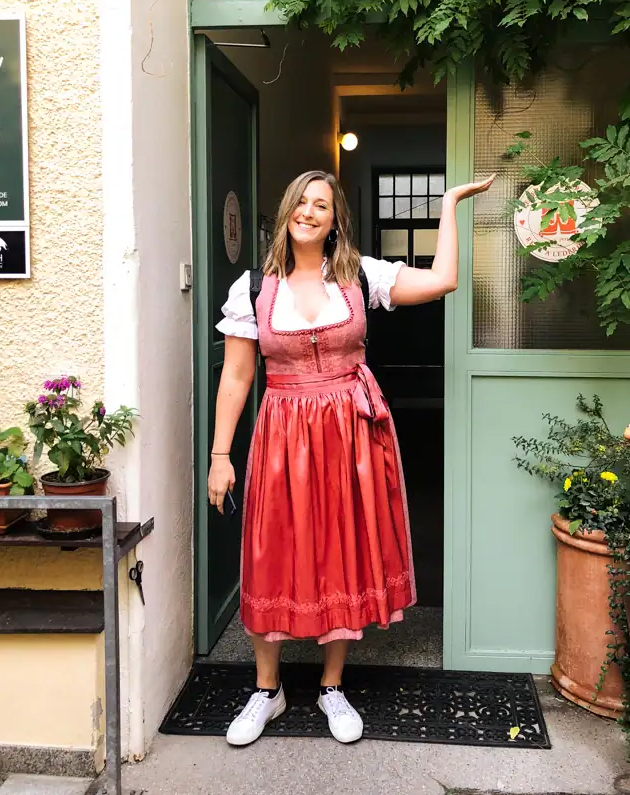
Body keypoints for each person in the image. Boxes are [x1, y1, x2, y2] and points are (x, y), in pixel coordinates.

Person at [208, 168, 495, 746]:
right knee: (273, 550)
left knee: (341, 548)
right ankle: (267, 690)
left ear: (336, 219)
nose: (310, 211)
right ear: (288, 211)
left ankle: (331, 686)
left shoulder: (362, 276)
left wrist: (448, 204)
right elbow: (238, 375)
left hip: (348, 433)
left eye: (322, 204)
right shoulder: (254, 289)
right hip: (282, 432)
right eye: (301, 201)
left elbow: (444, 280)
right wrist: (220, 454)